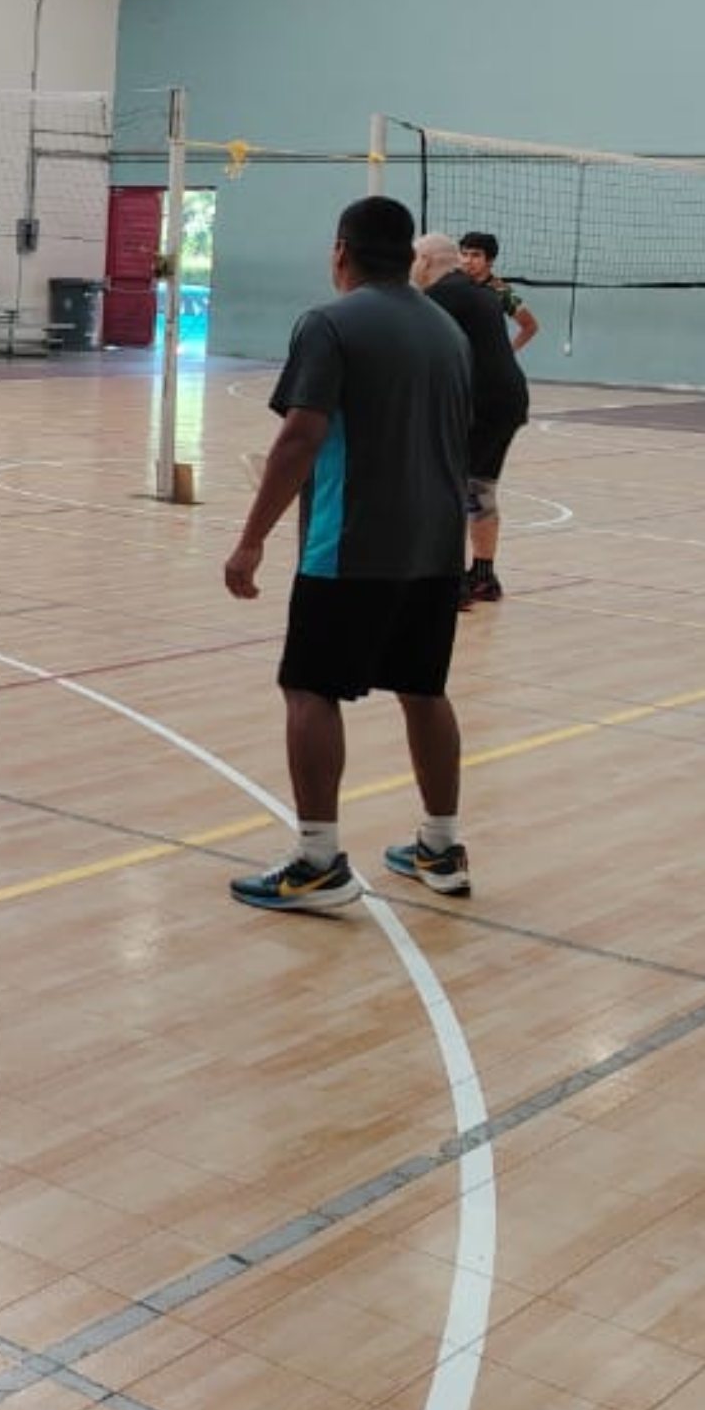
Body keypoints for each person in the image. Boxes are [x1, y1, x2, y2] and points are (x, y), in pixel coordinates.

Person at [221, 195, 475, 913]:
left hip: (351, 546)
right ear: (409, 256)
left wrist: (250, 539)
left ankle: (317, 862)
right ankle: (440, 846)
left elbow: (300, 437)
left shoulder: (329, 323)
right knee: (423, 689)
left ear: (340, 251)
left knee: (309, 688)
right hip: (436, 545)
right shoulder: (447, 330)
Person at [412, 233, 531, 608]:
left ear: (426, 261)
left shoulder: (440, 296)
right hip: (508, 400)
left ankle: (451, 583)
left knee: (447, 487)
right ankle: (482, 576)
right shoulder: (482, 292)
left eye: (413, 259)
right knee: (479, 487)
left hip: (478, 404)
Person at [458, 232, 540, 354]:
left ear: (490, 260)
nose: (467, 261)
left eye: (475, 255)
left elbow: (530, 326)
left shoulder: (501, 291)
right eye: (464, 254)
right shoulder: (453, 283)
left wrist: (507, 354)